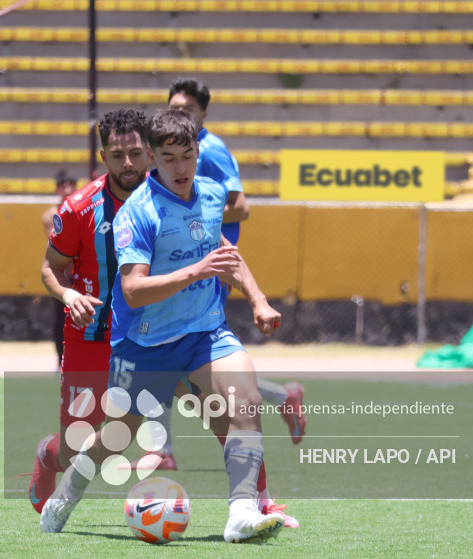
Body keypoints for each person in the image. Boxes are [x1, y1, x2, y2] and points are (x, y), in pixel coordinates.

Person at [41, 109, 286, 543]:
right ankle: (68, 490)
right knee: (116, 437)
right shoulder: (136, 213)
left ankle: (242, 512)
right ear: (155, 159)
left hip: (203, 332)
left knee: (243, 401)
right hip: (145, 344)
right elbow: (133, 290)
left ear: (197, 153)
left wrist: (258, 299)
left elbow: (225, 251)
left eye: (187, 155)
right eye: (169, 158)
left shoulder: (211, 193)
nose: (180, 166)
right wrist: (197, 271)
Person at [124, 79, 306, 490]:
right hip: (182, 269)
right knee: (190, 377)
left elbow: (240, 206)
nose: (181, 166)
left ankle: (179, 455)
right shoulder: (153, 181)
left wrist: (199, 231)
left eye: (188, 108)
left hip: (210, 272)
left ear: (203, 114)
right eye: (175, 106)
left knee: (197, 375)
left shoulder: (213, 151)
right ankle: (276, 403)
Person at [28, 109, 151, 515]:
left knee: (220, 403)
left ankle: (257, 502)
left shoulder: (169, 200)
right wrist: (68, 296)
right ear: (104, 156)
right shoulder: (79, 209)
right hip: (90, 340)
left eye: (135, 152)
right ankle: (48, 455)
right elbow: (50, 267)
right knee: (74, 447)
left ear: (149, 152)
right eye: (118, 155)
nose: (128, 163)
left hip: (151, 338)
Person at [41, 171, 78, 371]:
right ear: (57, 189)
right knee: (60, 320)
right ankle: (60, 360)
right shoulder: (50, 215)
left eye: (72, 184)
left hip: (81, 274)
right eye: (64, 185)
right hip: (63, 276)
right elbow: (59, 244)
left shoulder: (82, 209)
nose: (68, 189)